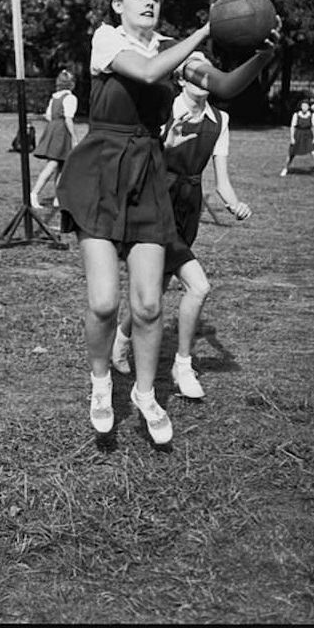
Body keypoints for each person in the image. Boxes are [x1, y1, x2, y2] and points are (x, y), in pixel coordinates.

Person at [55, 0, 277, 446]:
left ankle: (144, 394)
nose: (150, 2)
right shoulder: (106, 40)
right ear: (118, 4)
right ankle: (99, 384)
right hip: (101, 169)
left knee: (151, 304)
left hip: (148, 173)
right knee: (104, 302)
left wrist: (263, 53)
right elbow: (150, 71)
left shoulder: (176, 48)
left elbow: (224, 85)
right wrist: (206, 29)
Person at [112, 51, 252, 399]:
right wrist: (164, 141)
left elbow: (221, 181)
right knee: (198, 287)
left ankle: (121, 338)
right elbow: (138, 160)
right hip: (156, 204)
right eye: (194, 71)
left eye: (208, 71)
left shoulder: (221, 120)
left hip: (188, 207)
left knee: (154, 290)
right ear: (179, 78)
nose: (202, 77)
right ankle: (183, 365)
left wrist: (234, 203)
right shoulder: (163, 110)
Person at [30, 70, 79, 209]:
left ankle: (58, 199)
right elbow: (69, 119)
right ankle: (34, 193)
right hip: (61, 131)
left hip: (53, 128)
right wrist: (74, 138)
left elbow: (48, 115)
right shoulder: (70, 98)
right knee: (53, 164)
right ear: (71, 84)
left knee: (61, 166)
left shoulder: (55, 97)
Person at [279, 98, 314, 177]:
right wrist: (292, 138)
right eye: (303, 106)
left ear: (308, 107)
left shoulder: (312, 115)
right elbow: (292, 127)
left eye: (306, 106)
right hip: (298, 135)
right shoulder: (296, 115)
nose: (304, 108)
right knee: (291, 154)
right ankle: (285, 169)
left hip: (308, 135)